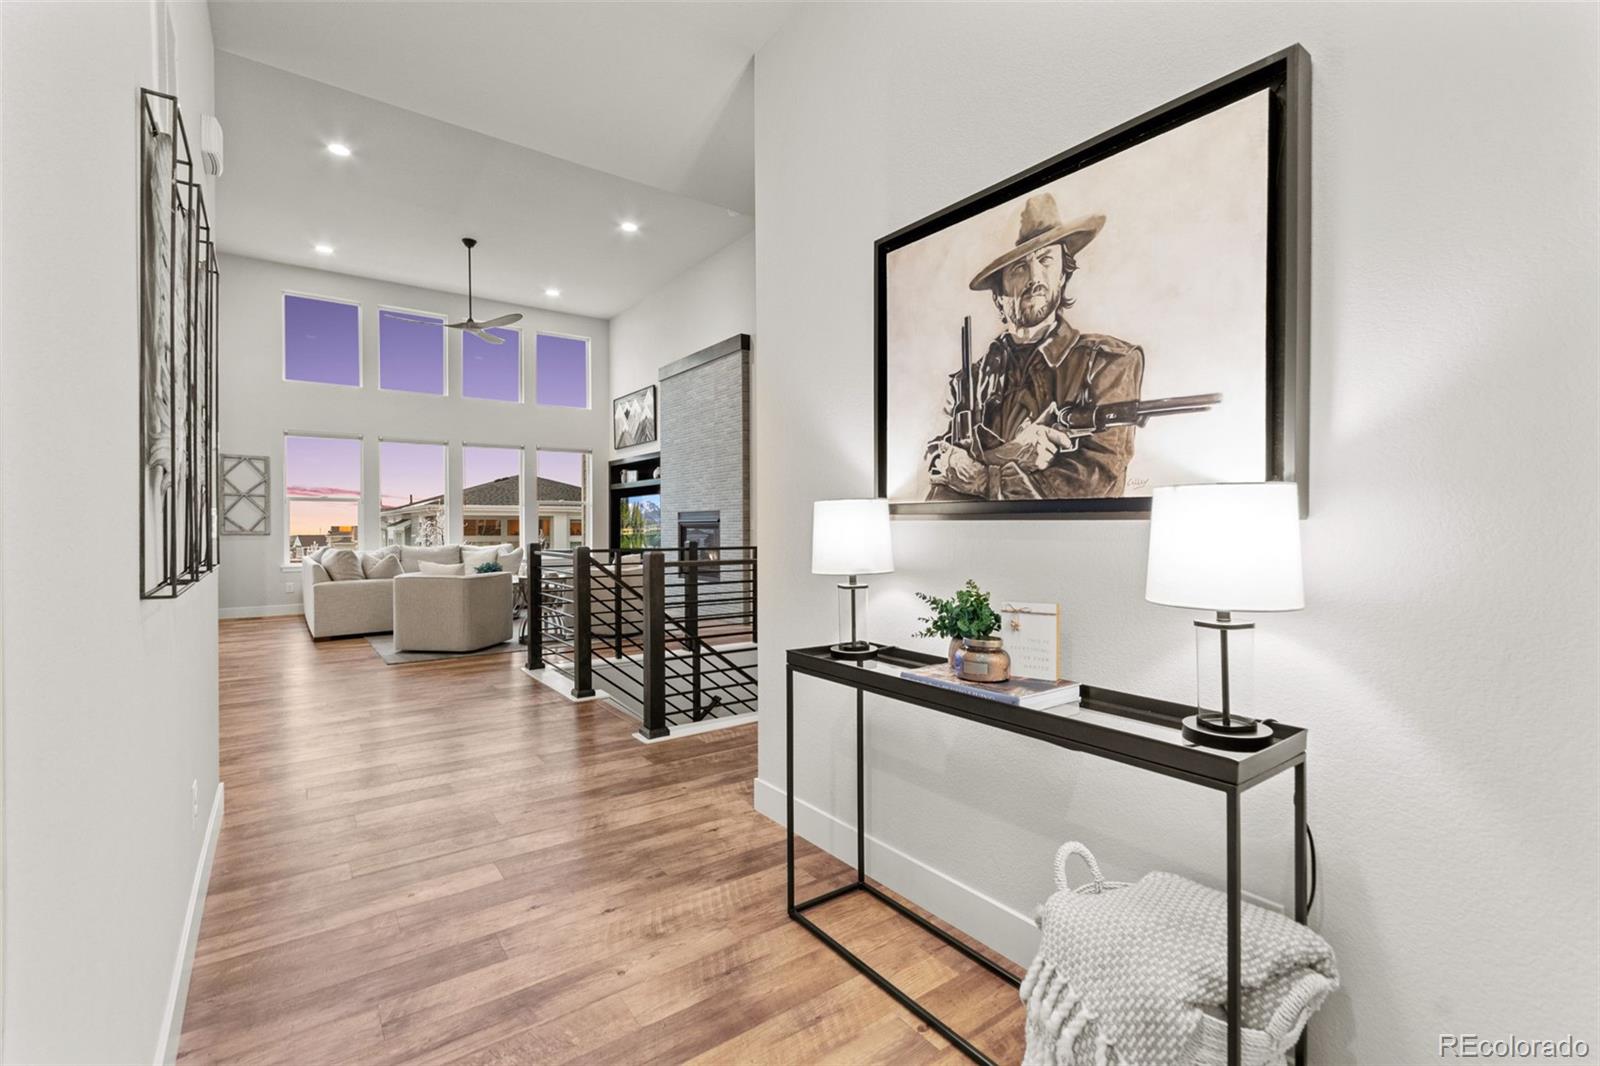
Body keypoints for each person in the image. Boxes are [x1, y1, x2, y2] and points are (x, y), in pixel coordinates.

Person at [927, 193, 1145, 501]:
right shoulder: (966, 383)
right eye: (1019, 268)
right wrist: (1011, 455)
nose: (1035, 278)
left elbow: (1093, 486)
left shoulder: (1109, 363)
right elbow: (937, 462)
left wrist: (982, 479)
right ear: (998, 294)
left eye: (1045, 260)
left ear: (1063, 273)